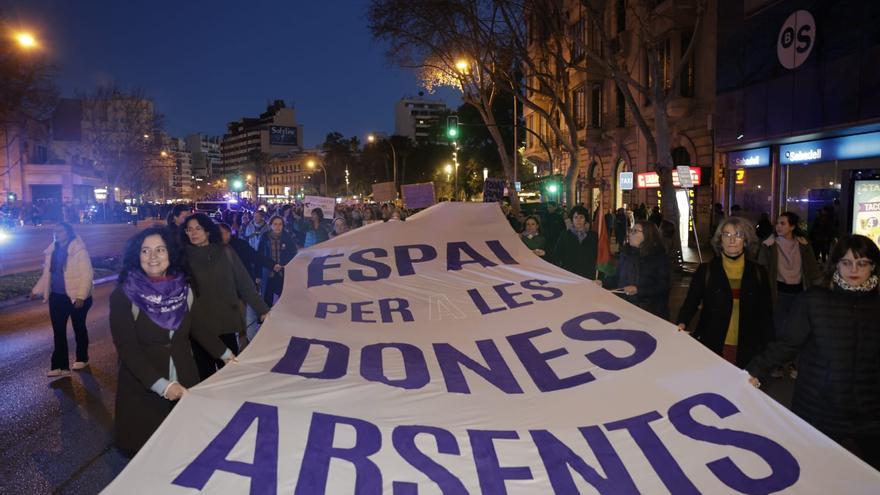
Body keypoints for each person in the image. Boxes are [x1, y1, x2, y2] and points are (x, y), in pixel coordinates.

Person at [747, 235, 880, 470]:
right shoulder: (814, 300)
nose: (854, 270)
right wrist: (755, 370)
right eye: (846, 262)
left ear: (873, 266)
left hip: (870, 410)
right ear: (835, 264)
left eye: (862, 263)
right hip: (819, 406)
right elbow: (788, 344)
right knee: (813, 470)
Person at [109, 227, 231, 455]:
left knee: (186, 451)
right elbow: (128, 350)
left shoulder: (183, 289)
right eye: (145, 251)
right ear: (137, 256)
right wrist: (162, 386)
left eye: (160, 250)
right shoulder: (124, 295)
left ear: (171, 254)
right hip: (144, 389)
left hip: (184, 379)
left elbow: (197, 326)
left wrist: (225, 354)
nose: (153, 257)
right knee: (149, 456)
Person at [182, 213, 271, 379]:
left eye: (198, 228)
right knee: (205, 376)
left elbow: (245, 284)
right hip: (199, 327)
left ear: (208, 231)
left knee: (229, 374)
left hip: (225, 323)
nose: (193, 233)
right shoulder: (183, 257)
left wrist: (263, 310)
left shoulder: (225, 251)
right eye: (189, 229)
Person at [676, 217, 773, 367]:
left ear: (746, 241)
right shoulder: (706, 270)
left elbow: (766, 313)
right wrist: (681, 323)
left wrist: (768, 349)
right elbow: (691, 302)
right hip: (711, 342)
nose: (731, 240)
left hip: (747, 345)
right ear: (720, 240)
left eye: (738, 235)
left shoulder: (758, 272)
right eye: (726, 235)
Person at [32, 222, 94, 377]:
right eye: (55, 231)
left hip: (76, 298)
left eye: (60, 231)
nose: (56, 234)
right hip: (57, 297)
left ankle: (82, 357)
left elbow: (87, 274)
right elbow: (48, 274)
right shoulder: (52, 250)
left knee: (78, 328)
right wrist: (37, 290)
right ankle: (60, 366)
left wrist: (81, 296)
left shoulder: (79, 250)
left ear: (68, 233)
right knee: (58, 332)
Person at [757, 212, 822, 362]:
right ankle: (777, 362)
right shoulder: (769, 244)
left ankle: (794, 362)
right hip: (778, 291)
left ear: (792, 227)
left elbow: (812, 267)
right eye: (777, 223)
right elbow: (762, 269)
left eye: (783, 223)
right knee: (778, 328)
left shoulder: (803, 244)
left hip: (799, 291)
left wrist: (820, 287)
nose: (778, 227)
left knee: (797, 329)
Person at [603, 220, 670, 318]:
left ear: (647, 235)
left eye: (635, 231)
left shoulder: (658, 257)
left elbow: (663, 286)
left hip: (648, 311)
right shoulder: (625, 254)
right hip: (624, 307)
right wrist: (602, 283)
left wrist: (638, 290)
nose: (630, 233)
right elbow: (617, 278)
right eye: (631, 230)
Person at [257, 215, 297, 307]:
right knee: (267, 298)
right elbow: (260, 256)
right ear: (270, 225)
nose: (277, 227)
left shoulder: (287, 237)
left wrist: (282, 264)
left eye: (280, 224)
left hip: (282, 272)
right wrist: (258, 274)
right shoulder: (265, 237)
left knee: (284, 297)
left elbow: (292, 253)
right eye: (275, 224)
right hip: (268, 271)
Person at [553, 205, 599, 280]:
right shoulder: (565, 235)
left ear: (585, 219)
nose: (578, 220)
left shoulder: (593, 236)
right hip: (569, 274)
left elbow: (599, 256)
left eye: (581, 217)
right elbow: (557, 254)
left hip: (588, 274)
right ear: (572, 219)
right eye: (576, 217)